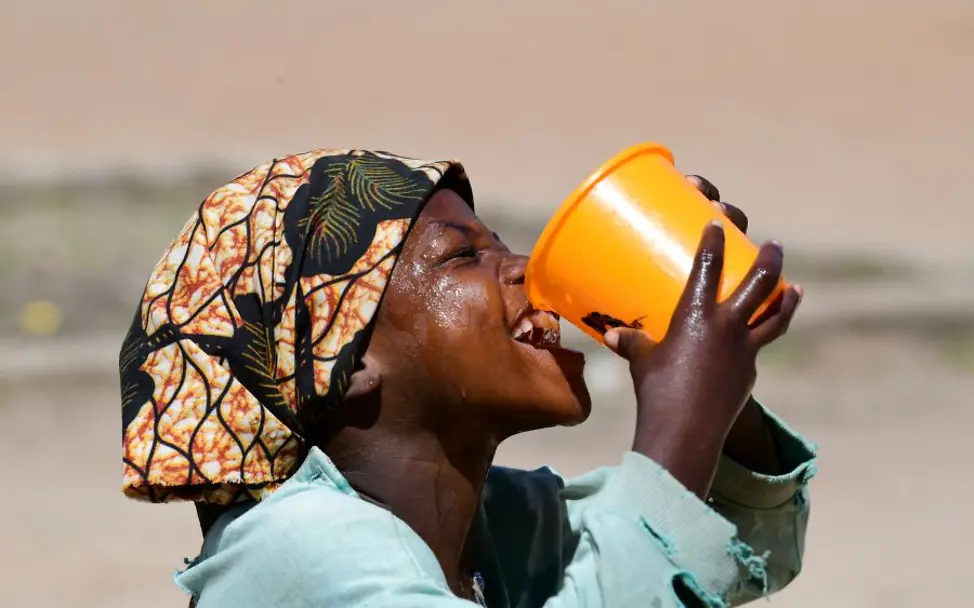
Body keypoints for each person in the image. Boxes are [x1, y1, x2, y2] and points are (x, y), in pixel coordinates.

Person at [118, 149, 815, 607]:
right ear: (347, 361)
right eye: (462, 257)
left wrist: (701, 359)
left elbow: (740, 543)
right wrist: (679, 419)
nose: (525, 270)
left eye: (500, 244)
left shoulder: (496, 529)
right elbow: (653, 536)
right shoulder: (298, 548)